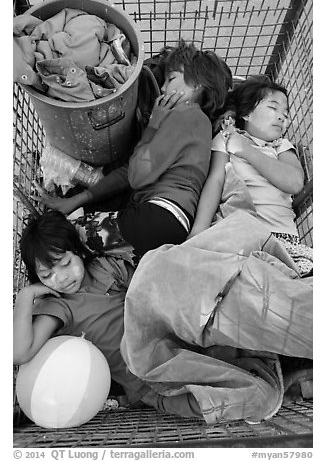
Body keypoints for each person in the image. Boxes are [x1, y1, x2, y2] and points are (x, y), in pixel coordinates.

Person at [35, 40, 232, 258]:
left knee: (61, 239)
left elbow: (137, 176)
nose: (164, 88)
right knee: (78, 238)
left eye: (171, 78)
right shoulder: (198, 124)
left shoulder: (184, 115)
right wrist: (76, 201)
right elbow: (131, 172)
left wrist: (153, 125)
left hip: (157, 217)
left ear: (197, 83)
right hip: (167, 221)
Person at [13, 210, 204, 419]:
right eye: (46, 275)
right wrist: (25, 295)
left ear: (78, 251)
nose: (61, 279)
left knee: (227, 358)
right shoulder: (60, 307)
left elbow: (151, 293)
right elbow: (20, 353)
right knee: (208, 404)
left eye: (65, 263)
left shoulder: (105, 267)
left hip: (179, 344)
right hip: (149, 383)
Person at [188, 76, 312, 276]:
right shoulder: (226, 138)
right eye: (273, 108)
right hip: (236, 229)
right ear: (246, 113)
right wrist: (199, 230)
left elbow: (294, 183)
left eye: (286, 113)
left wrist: (246, 150)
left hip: (280, 237)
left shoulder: (281, 146)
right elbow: (215, 181)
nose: (282, 117)